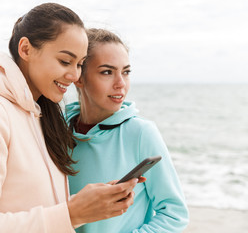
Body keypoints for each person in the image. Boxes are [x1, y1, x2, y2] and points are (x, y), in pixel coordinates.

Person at [0, 3, 140, 233]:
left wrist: (91, 206)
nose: (74, 75)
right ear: (26, 49)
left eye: (79, 64)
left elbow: (41, 210)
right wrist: (72, 213)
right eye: (64, 61)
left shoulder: (43, 117)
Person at [66, 28, 189, 233]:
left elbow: (174, 214)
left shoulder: (141, 132)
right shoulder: (56, 130)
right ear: (79, 76)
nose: (120, 84)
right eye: (107, 72)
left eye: (126, 72)